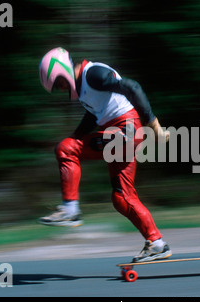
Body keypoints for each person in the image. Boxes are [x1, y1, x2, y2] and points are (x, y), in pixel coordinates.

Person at [37, 47, 171, 263]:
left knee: (65, 148)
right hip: (121, 134)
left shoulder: (93, 74)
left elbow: (132, 87)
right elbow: (94, 114)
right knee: (121, 199)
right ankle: (157, 244)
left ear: (62, 71)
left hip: (126, 131)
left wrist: (155, 126)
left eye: (59, 83)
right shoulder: (83, 88)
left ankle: (70, 209)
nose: (61, 89)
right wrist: (74, 138)